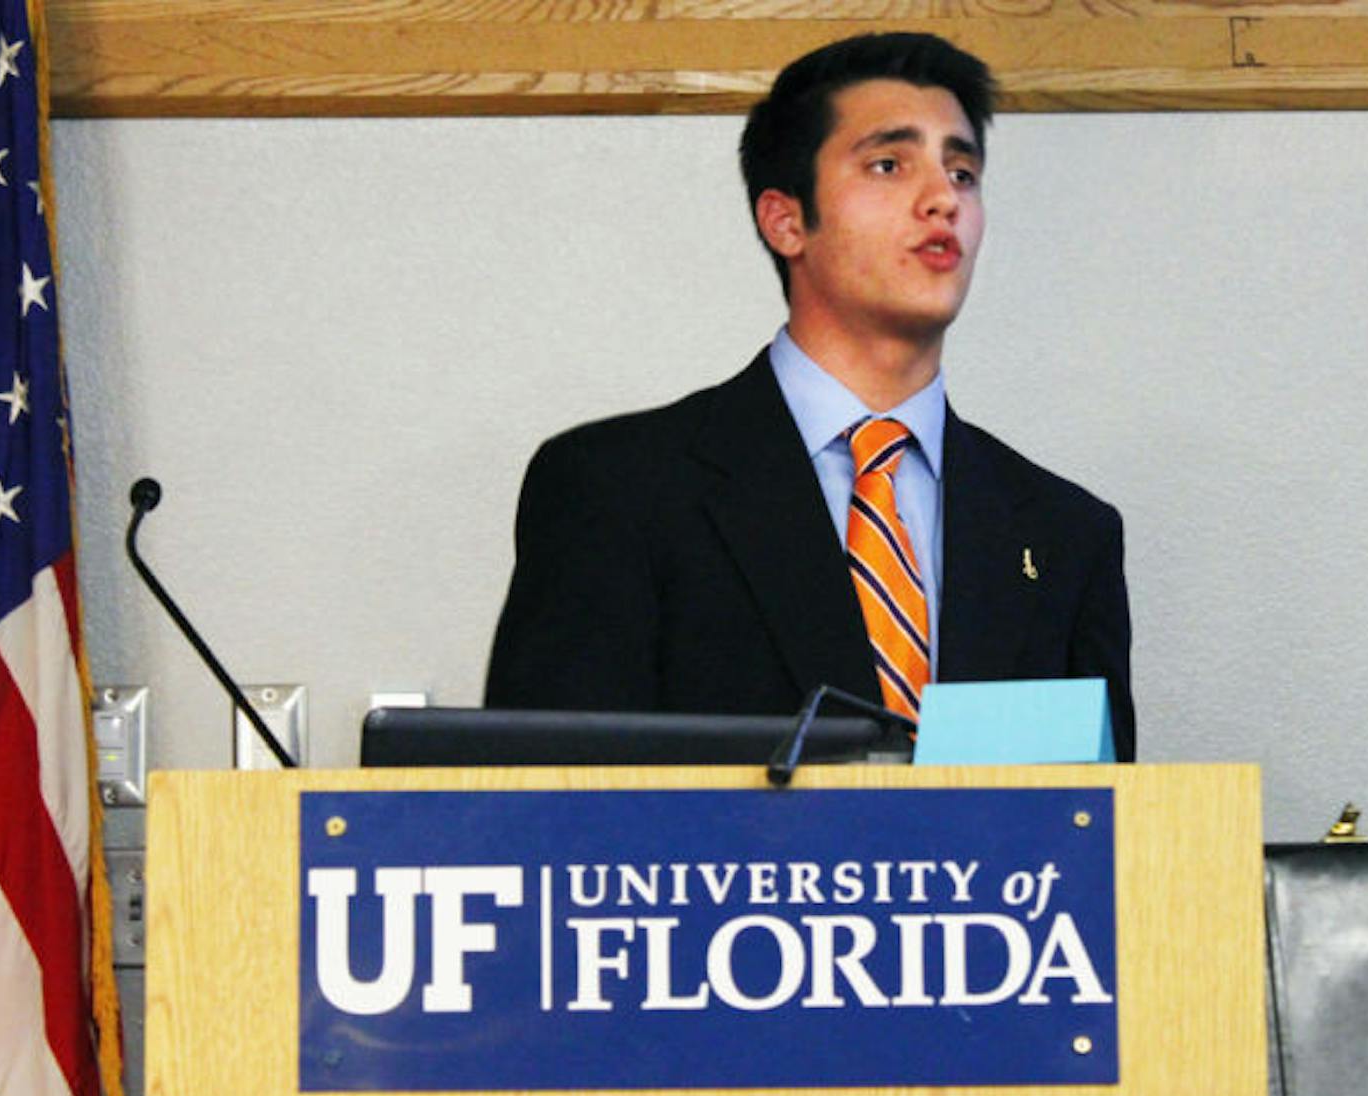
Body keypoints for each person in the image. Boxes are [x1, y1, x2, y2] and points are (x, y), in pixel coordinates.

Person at [484, 32, 1135, 760]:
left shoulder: (1065, 533)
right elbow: (544, 812)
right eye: (890, 164)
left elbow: (1102, 836)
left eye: (962, 173)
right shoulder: (617, 487)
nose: (940, 201)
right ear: (786, 220)